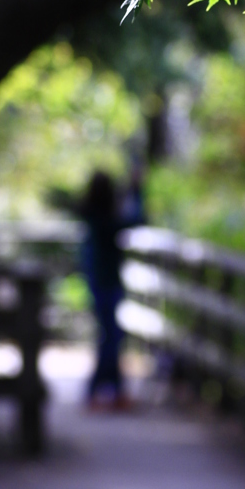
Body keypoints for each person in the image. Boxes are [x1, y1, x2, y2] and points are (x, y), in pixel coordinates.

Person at [79, 169, 146, 408]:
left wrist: (131, 189)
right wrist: (137, 191)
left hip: (100, 283)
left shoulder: (94, 216)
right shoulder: (103, 221)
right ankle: (97, 391)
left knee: (110, 336)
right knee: (111, 338)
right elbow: (135, 220)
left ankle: (112, 391)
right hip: (105, 284)